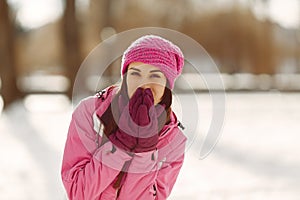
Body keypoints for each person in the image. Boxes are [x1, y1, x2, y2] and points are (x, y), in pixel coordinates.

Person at [61, 35, 187, 199]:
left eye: (155, 75)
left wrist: (144, 151)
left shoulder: (173, 141)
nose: (143, 83)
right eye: (135, 73)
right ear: (125, 77)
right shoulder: (90, 114)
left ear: (167, 85)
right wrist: (120, 145)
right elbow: (78, 193)